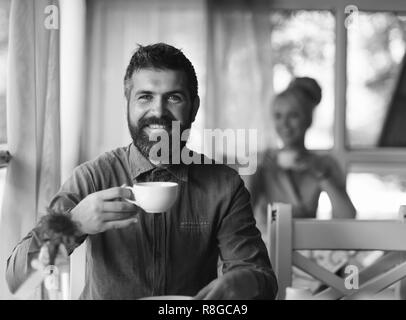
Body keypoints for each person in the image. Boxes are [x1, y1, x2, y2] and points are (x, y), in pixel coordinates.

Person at [6, 43, 277, 300]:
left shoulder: (224, 185)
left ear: (193, 107)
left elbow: (262, 279)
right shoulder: (92, 178)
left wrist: (244, 281)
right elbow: (18, 278)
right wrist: (74, 223)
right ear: (128, 105)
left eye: (173, 97)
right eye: (145, 97)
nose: (158, 111)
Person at [248, 77, 356, 293]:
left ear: (308, 120)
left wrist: (320, 175)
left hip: (309, 257)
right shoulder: (261, 161)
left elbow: (347, 216)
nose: (284, 125)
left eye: (293, 116)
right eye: (278, 116)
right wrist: (255, 174)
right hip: (266, 254)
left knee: (347, 273)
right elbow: (241, 214)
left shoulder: (324, 165)